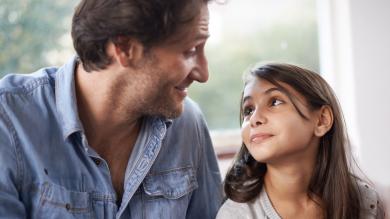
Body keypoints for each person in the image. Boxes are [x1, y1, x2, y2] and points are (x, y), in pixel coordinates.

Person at [0, 0, 222, 218]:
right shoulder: (9, 123)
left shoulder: (187, 124)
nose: (203, 74)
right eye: (190, 50)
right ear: (124, 48)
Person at [216, 63, 385, 219]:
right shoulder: (236, 215)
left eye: (274, 102)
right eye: (248, 110)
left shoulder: (365, 202)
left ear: (321, 120)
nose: (254, 119)